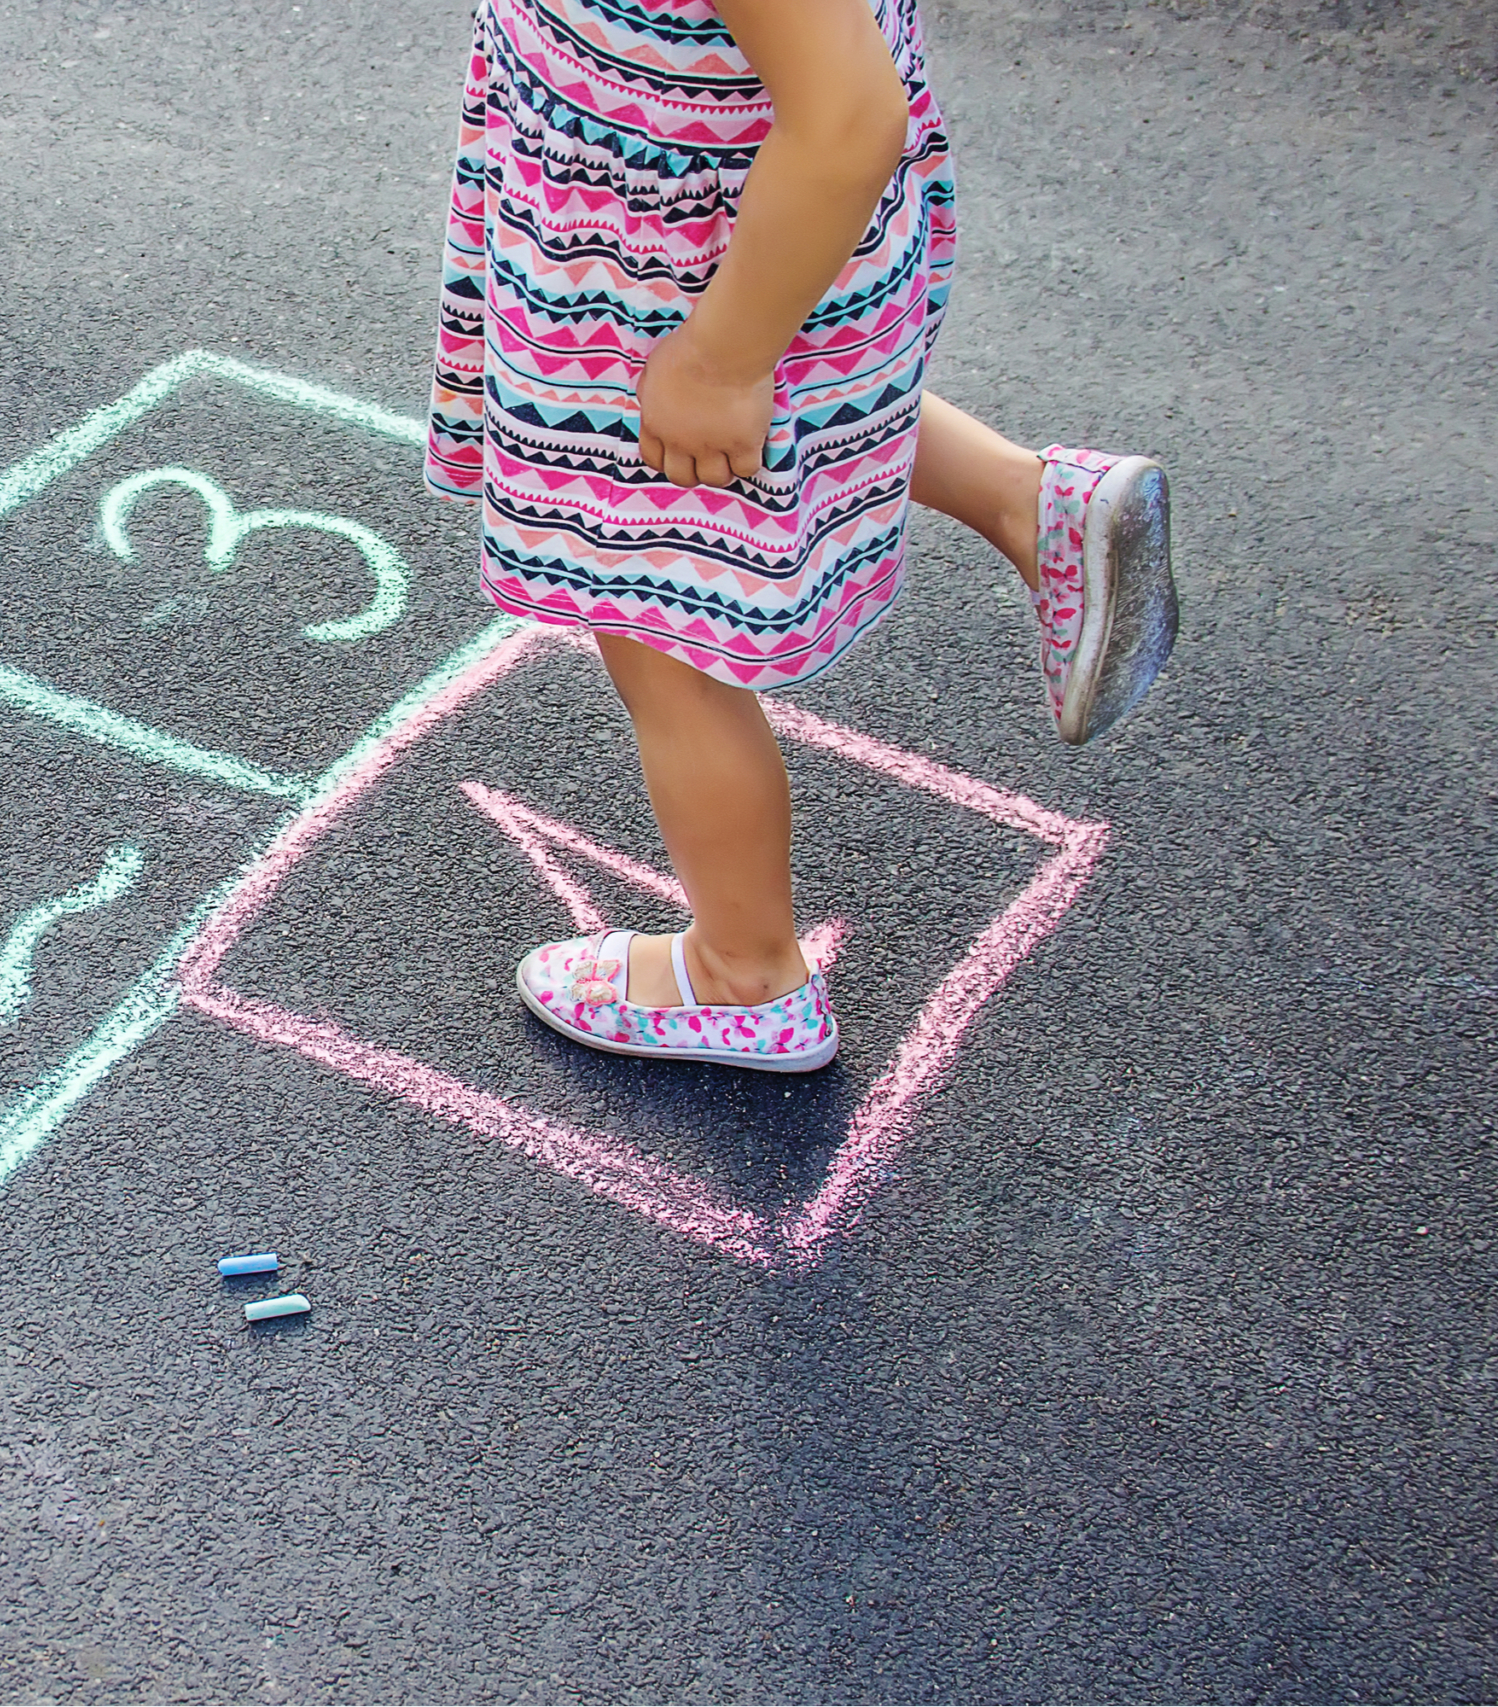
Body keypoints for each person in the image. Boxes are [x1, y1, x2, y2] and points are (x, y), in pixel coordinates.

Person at [427, 0, 1176, 1073]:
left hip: (685, 279)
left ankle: (743, 975)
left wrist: (720, 359)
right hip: (710, 232)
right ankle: (1029, 503)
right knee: (803, 425)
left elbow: (844, 119)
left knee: (662, 635)